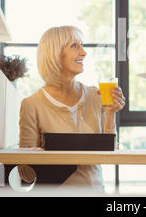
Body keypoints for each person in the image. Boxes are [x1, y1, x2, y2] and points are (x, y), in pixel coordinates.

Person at [19, 25, 125, 190]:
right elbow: (25, 172)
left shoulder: (95, 96)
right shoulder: (32, 105)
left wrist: (110, 114)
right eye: (75, 46)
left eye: (82, 45)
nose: (83, 52)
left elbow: (109, 154)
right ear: (55, 53)